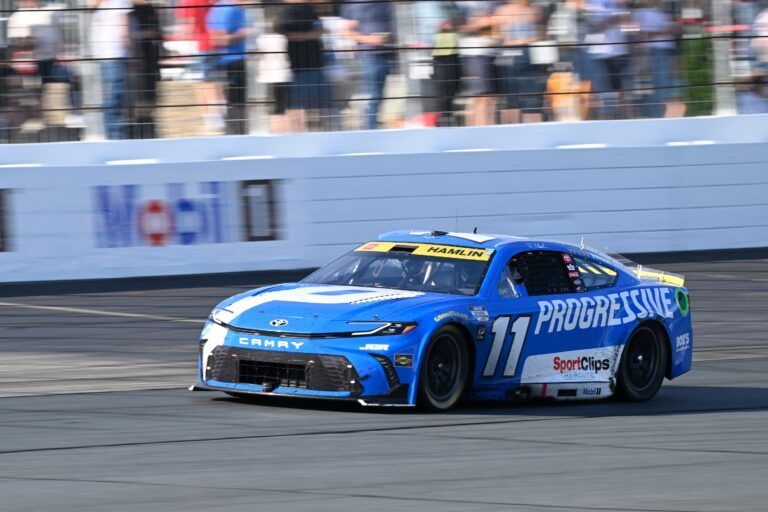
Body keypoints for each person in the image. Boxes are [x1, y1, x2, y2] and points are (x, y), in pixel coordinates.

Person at [341, 0, 394, 130]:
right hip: (369, 56)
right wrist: (370, 40)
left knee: (380, 95)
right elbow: (347, 32)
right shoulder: (354, 4)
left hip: (388, 54)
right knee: (371, 94)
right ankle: (369, 129)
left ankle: (373, 126)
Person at [277, 0, 329, 132]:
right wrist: (310, 35)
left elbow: (321, 29)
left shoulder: (310, 9)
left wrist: (309, 35)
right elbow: (287, 33)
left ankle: (316, 132)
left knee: (318, 105)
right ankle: (299, 135)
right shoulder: (287, 11)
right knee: (298, 106)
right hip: (299, 67)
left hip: (317, 65)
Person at [494, 0, 545, 124]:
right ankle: (512, 130)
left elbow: (541, 33)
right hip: (512, 53)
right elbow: (498, 34)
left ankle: (535, 130)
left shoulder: (535, 10)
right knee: (512, 98)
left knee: (533, 97)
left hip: (529, 53)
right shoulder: (503, 10)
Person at [633, 0, 683, 118]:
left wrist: (660, 32)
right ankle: (656, 116)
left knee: (667, 85)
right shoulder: (642, 12)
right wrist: (665, 31)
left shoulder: (666, 11)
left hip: (668, 51)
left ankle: (660, 115)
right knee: (661, 85)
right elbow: (643, 35)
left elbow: (677, 29)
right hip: (656, 51)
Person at [90, 0, 132, 139]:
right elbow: (124, 30)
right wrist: (131, 51)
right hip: (115, 54)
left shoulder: (103, 4)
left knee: (110, 98)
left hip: (104, 55)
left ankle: (112, 135)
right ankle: (116, 137)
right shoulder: (119, 2)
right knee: (115, 99)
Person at [207, 0, 249, 135]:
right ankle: (237, 137)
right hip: (233, 61)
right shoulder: (229, 9)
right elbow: (219, 39)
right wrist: (242, 34)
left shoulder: (217, 8)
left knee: (233, 103)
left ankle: (235, 135)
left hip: (228, 61)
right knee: (236, 104)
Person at [458, 0, 502, 126]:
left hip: (491, 52)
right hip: (477, 53)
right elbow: (461, 25)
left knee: (490, 96)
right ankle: (481, 130)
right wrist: (487, 21)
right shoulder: (467, 5)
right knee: (482, 96)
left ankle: (485, 128)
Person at [128, 0, 162, 138]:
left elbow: (157, 33)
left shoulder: (149, 9)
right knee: (139, 103)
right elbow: (131, 35)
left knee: (150, 100)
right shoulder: (129, 8)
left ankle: (149, 131)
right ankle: (142, 132)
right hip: (137, 64)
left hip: (151, 62)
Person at [256, 19, 292, 133]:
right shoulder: (284, 39)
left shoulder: (261, 39)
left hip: (267, 76)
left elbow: (260, 55)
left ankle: (274, 130)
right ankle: (283, 130)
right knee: (282, 106)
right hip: (282, 75)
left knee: (272, 107)